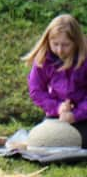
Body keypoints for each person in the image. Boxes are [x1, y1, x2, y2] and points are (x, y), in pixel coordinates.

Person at [23, 14, 87, 148]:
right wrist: (58, 107)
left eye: (65, 45)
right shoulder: (43, 60)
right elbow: (36, 91)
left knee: (79, 141)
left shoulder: (84, 59)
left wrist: (76, 114)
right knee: (46, 141)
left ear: (76, 42)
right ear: (48, 41)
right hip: (57, 115)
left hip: (83, 115)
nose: (60, 50)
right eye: (55, 44)